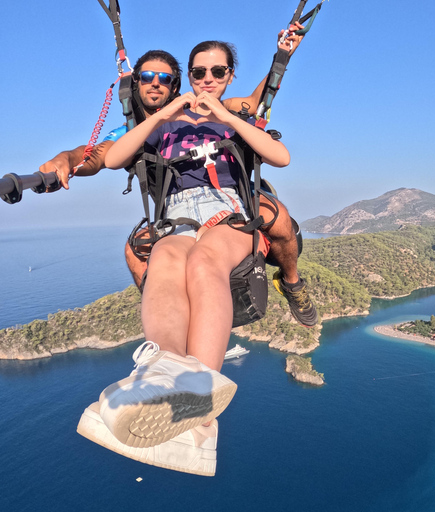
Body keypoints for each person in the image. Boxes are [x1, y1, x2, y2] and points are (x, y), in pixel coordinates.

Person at [75, 39, 302, 477]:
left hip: (229, 210)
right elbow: (114, 158)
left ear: (229, 77)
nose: (208, 80)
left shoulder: (234, 118)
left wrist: (224, 116)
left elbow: (281, 157)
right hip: (179, 215)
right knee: (164, 263)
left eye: (218, 73)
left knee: (203, 264)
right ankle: (162, 375)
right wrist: (163, 114)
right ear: (189, 78)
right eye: (199, 73)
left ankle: (200, 406)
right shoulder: (164, 127)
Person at [39, 26, 317, 327]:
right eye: (146, 77)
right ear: (136, 82)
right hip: (175, 205)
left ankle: (291, 281)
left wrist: (282, 58)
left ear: (175, 86)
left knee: (278, 218)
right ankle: (170, 312)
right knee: (135, 252)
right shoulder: (138, 129)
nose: (154, 85)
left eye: (164, 79)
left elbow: (257, 101)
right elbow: (99, 154)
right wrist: (65, 160)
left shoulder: (221, 109)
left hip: (229, 192)